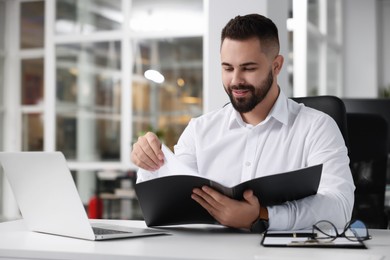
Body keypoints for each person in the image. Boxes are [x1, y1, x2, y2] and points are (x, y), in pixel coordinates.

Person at [131, 14, 355, 232]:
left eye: (248, 68)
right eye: (228, 68)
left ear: (276, 66)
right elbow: (172, 200)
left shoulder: (317, 127)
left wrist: (262, 215)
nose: (236, 80)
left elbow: (339, 207)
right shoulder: (200, 130)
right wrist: (150, 163)